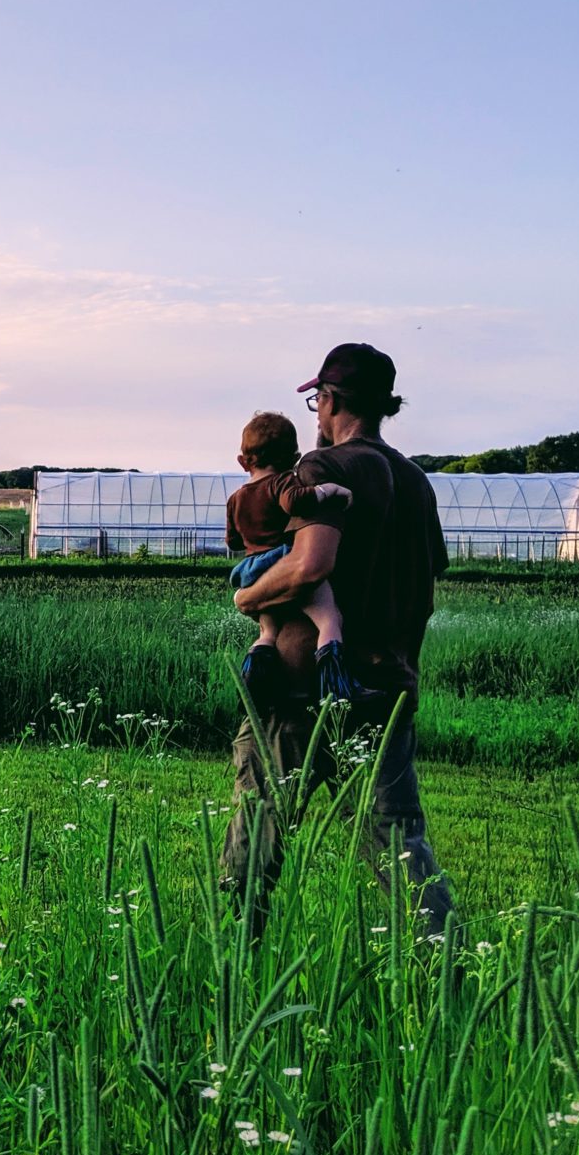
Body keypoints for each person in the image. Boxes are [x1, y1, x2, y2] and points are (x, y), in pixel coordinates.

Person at [221, 344, 455, 937]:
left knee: (257, 836)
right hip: (386, 689)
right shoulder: (416, 482)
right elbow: (428, 579)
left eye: (316, 401)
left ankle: (236, 961)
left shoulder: (323, 471)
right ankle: (445, 966)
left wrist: (247, 599)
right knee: (402, 850)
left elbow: (308, 565)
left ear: (331, 400)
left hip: (303, 692)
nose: (314, 417)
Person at [224, 412, 355, 708]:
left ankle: (255, 683)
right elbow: (295, 502)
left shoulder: (236, 498)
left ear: (243, 462)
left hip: (253, 572)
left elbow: (233, 541)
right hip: (282, 562)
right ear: (294, 457)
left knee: (269, 631)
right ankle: (336, 686)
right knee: (329, 619)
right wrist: (328, 490)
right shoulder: (282, 483)